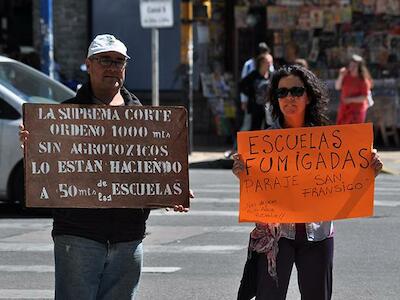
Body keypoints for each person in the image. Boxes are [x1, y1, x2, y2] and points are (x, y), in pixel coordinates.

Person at [19, 34, 192, 300]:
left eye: (118, 61)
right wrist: (32, 145)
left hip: (129, 239)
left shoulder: (143, 117)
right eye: (104, 60)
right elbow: (50, 169)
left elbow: (153, 169)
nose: (112, 67)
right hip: (78, 237)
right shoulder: (63, 117)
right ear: (88, 64)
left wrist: (172, 188)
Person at [232, 65, 384, 300]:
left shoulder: (331, 141)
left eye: (296, 91)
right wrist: (242, 173)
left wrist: (368, 169)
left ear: (309, 95)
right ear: (275, 99)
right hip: (276, 236)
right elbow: (258, 188)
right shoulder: (263, 143)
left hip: (319, 234)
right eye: (281, 93)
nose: (289, 98)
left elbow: (347, 182)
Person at [335, 54, 373, 124]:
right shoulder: (345, 76)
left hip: (357, 112)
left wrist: (349, 100)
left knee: (354, 133)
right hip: (344, 110)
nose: (352, 68)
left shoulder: (363, 80)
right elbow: (337, 87)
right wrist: (340, 75)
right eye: (351, 65)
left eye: (354, 66)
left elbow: (364, 97)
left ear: (359, 68)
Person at [239, 54, 273, 131]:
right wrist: (251, 94)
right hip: (256, 106)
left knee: (268, 127)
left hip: (268, 107)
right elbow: (241, 85)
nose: (269, 64)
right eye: (268, 62)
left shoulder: (272, 75)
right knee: (255, 128)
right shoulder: (253, 75)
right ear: (262, 63)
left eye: (270, 62)